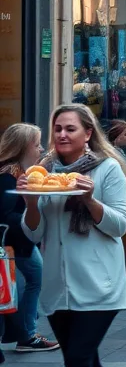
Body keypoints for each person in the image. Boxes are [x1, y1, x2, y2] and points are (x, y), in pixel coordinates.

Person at [19, 105, 126, 367]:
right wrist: (31, 203)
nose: (62, 135)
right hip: (57, 289)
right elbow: (34, 234)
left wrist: (90, 200)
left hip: (99, 288)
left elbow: (120, 226)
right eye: (58, 129)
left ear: (88, 133)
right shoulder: (44, 173)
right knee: (83, 358)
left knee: (78, 360)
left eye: (70, 129)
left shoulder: (107, 169)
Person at [0, 124, 59, 352]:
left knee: (32, 280)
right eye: (36, 144)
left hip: (22, 243)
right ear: (23, 147)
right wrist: (33, 215)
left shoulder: (21, 172)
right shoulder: (8, 176)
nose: (41, 149)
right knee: (34, 279)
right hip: (16, 245)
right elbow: (5, 216)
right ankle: (27, 335)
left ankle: (25, 332)